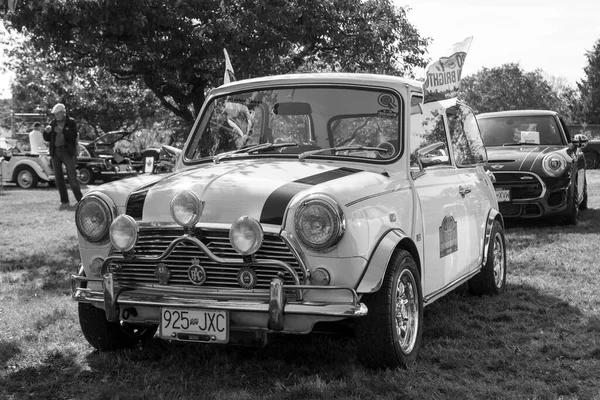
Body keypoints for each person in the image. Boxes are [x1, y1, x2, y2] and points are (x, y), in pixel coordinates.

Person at [43, 103, 83, 208]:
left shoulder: (71, 122)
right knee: (58, 178)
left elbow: (73, 135)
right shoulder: (52, 123)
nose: (56, 116)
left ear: (63, 112)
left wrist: (63, 131)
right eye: (55, 114)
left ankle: (80, 200)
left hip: (67, 152)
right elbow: (47, 138)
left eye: (57, 114)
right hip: (55, 152)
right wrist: (46, 132)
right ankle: (64, 201)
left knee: (72, 177)